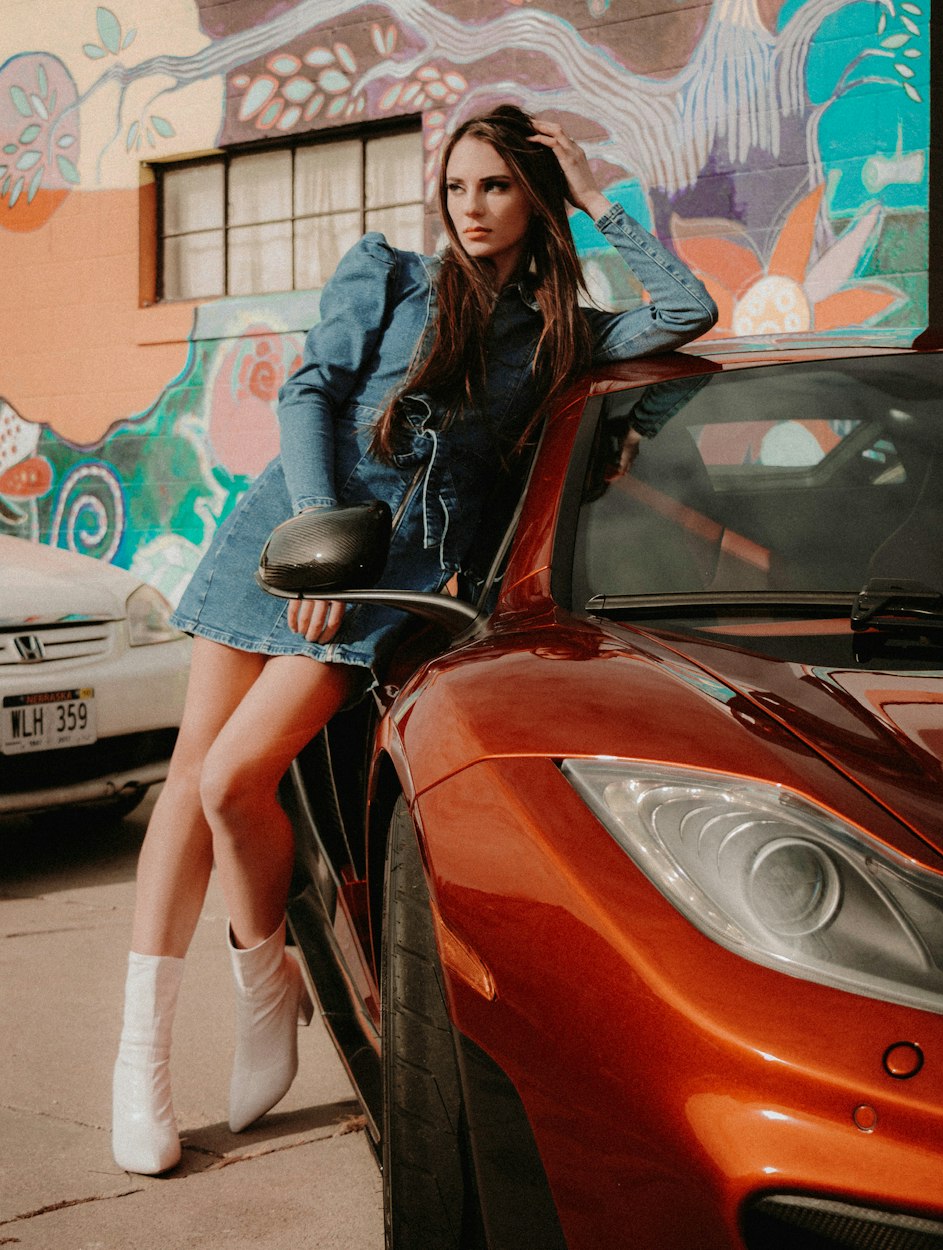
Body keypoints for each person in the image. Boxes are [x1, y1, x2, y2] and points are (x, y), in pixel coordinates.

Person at [110, 103, 717, 1175]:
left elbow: (686, 307)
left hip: (386, 582)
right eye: (455, 187)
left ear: (534, 195)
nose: (469, 208)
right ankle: (143, 1064)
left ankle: (267, 979)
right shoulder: (389, 274)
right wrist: (316, 538)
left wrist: (602, 196)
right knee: (192, 774)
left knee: (236, 781)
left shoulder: (566, 330)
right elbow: (312, 390)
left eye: (494, 186)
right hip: (292, 535)